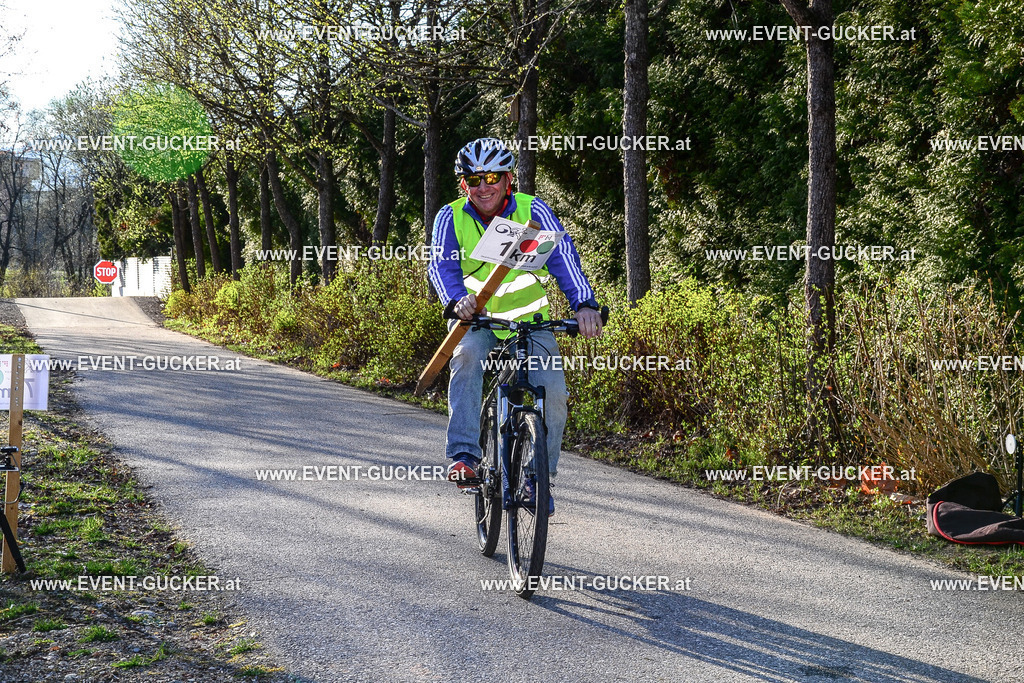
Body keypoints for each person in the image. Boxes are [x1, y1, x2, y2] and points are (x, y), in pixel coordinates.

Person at [428, 137, 603, 515]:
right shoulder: (451, 217)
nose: (483, 186)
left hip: (531, 321)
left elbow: (564, 258)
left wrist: (585, 305)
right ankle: (465, 456)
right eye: (474, 180)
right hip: (478, 321)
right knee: (468, 359)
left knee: (553, 392)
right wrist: (457, 300)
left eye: (492, 176)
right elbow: (441, 267)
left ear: (508, 178)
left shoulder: (532, 210)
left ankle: (537, 478)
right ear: (464, 185)